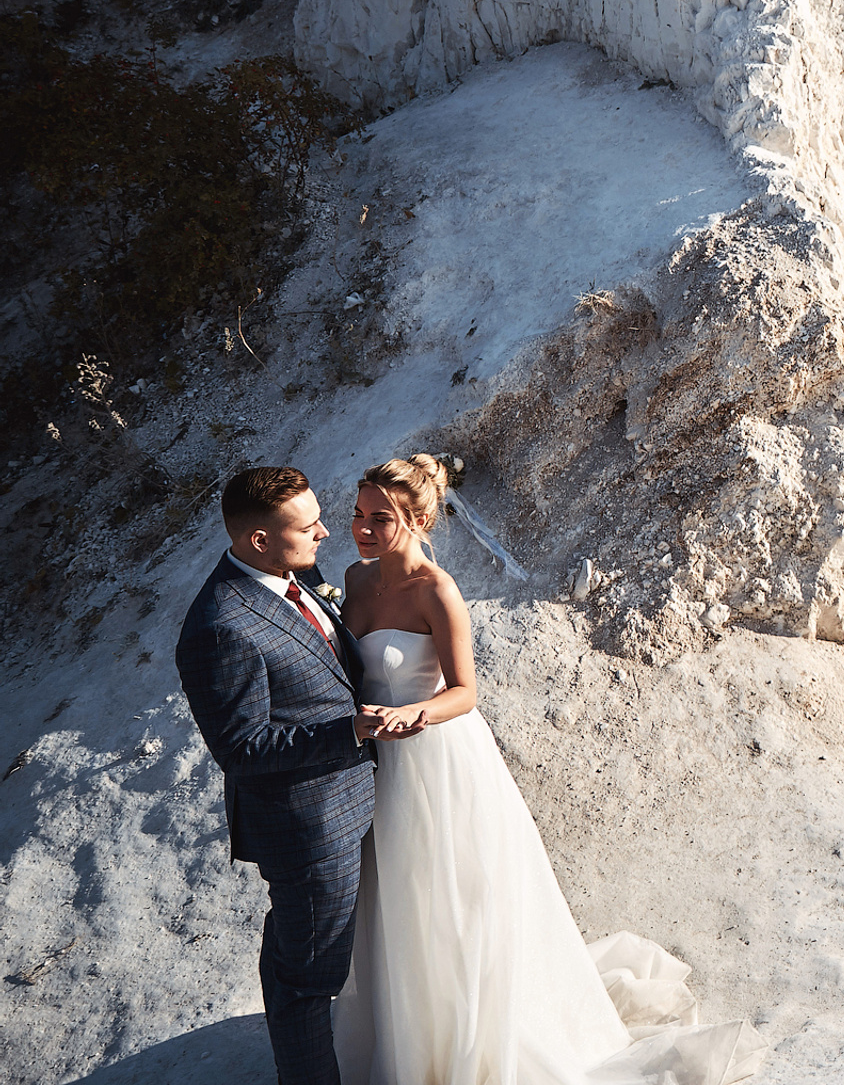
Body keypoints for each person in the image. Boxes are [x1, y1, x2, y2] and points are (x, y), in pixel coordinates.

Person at [331, 454, 756, 1085]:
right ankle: (408, 1037)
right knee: (397, 901)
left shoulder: (436, 592)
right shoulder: (355, 579)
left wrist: (412, 717)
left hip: (437, 759)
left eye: (380, 518)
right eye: (359, 514)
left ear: (419, 519)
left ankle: (468, 1043)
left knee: (451, 899)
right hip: (378, 762)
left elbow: (465, 692)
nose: (363, 529)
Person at [176, 466, 417, 1085]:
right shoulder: (217, 628)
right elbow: (243, 749)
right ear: (259, 541)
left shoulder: (296, 571)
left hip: (361, 796)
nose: (327, 532)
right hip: (309, 827)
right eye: (309, 526)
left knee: (299, 953)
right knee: (306, 983)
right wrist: (352, 732)